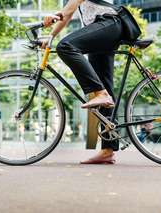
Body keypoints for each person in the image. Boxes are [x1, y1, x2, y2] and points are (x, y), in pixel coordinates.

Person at [42, 0, 124, 164]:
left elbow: (70, 7)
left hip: (108, 23)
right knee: (104, 87)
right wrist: (50, 36)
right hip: (101, 31)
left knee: (65, 46)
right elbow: (69, 12)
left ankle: (101, 93)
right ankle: (107, 150)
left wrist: (57, 15)